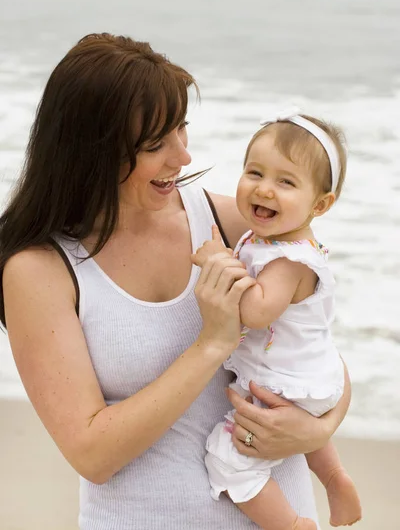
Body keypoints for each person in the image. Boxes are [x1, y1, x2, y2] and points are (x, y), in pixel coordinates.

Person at [0, 34, 351, 530]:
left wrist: (318, 427)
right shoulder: (40, 270)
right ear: (91, 150)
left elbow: (318, 355)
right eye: (155, 144)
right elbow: (92, 453)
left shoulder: (229, 224)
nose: (182, 157)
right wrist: (211, 344)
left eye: (181, 130)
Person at [192, 109, 362, 529]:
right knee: (303, 432)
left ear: (320, 205)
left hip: (287, 382)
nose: (264, 189)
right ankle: (335, 479)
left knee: (227, 459)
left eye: (285, 182)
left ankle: (291, 524)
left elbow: (255, 310)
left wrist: (220, 265)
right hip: (308, 376)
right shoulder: (270, 238)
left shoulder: (289, 259)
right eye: (254, 172)